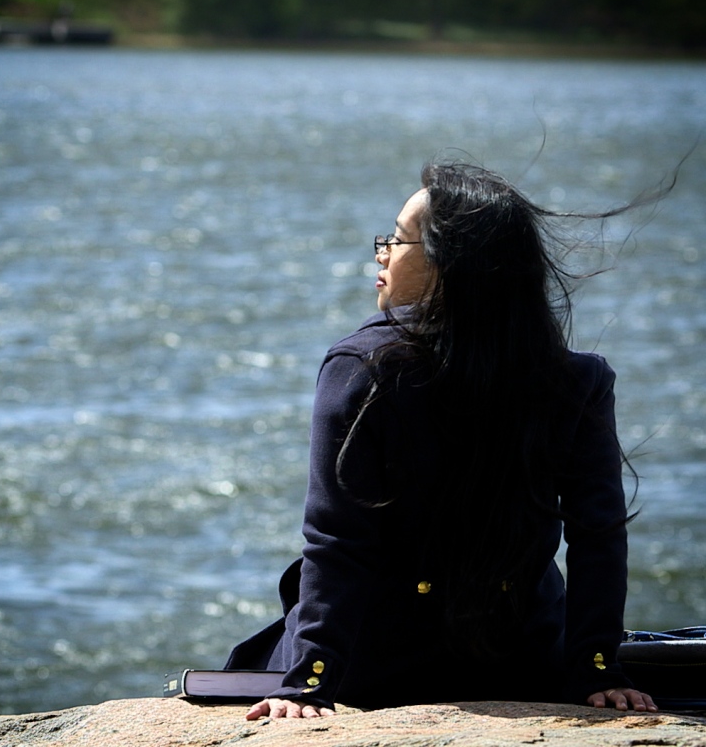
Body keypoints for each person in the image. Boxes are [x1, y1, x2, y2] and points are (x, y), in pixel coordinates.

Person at [224, 161, 658, 719]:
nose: (381, 254)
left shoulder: (362, 367)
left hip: (378, 665)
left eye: (397, 241)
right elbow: (598, 537)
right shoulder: (577, 379)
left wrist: (309, 678)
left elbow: (337, 539)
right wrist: (596, 668)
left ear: (446, 264)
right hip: (527, 659)